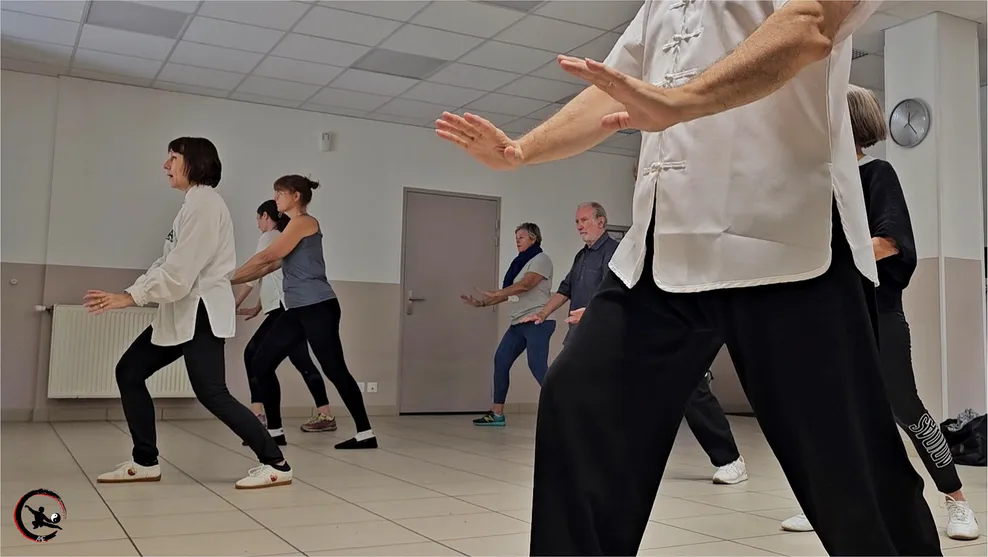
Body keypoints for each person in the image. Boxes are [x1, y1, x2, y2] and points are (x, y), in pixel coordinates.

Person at [434, 1, 941, 555]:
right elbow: (614, 90)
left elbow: (811, 25)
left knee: (849, 467)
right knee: (579, 403)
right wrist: (522, 150)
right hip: (661, 250)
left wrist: (681, 103)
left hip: (786, 241)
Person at [780, 85, 980, 540]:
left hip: (878, 313)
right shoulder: (823, 184)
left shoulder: (877, 175)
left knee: (906, 409)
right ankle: (824, 505)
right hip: (830, 317)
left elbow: (891, 243)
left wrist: (829, 257)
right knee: (829, 412)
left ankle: (957, 500)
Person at [86, 137, 291, 489]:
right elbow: (166, 263)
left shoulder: (206, 205)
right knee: (130, 371)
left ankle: (276, 463)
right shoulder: (191, 206)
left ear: (194, 162)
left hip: (199, 312)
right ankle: (145, 460)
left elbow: (180, 274)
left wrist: (130, 297)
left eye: (173, 158)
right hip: (182, 312)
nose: (166, 166)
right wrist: (133, 291)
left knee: (211, 392)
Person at [526, 201, 747, 485]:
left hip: (649, 329)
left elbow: (629, 293)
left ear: (601, 222)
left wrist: (594, 312)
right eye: (577, 221)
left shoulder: (623, 251)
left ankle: (730, 458)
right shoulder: (585, 256)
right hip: (599, 335)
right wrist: (543, 313)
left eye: (584, 220)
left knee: (690, 388)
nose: (579, 225)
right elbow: (570, 290)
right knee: (579, 387)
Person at [232, 175, 376, 450]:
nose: (275, 199)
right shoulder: (290, 231)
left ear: (296, 195)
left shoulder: (304, 223)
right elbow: (267, 268)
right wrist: (228, 281)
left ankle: (365, 433)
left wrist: (225, 278)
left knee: (335, 369)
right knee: (261, 362)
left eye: (279, 193)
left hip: (319, 307)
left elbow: (266, 257)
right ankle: (274, 432)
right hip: (297, 310)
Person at [235, 200, 337, 444]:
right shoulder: (281, 236)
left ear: (266, 216)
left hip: (285, 308)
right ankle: (325, 414)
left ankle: (259, 416)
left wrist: (233, 302)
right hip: (283, 307)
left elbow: (259, 271)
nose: (257, 224)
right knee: (301, 360)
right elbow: (274, 277)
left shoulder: (270, 236)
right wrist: (259, 307)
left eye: (258, 218)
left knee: (253, 354)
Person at [461, 222, 555, 426]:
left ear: (533, 238)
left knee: (537, 365)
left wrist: (497, 293)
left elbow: (525, 285)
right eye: (516, 238)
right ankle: (496, 414)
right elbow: (509, 292)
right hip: (518, 322)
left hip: (537, 320)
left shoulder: (541, 259)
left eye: (521, 237)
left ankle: (563, 408)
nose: (517, 241)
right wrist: (482, 303)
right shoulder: (518, 263)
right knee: (501, 361)